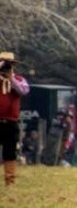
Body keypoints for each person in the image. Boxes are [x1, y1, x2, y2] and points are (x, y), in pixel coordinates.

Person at [0, 51, 30, 185]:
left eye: (9, 64)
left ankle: (9, 179)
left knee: (10, 151)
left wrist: (10, 78)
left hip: (10, 121)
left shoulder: (18, 79)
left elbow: (24, 91)